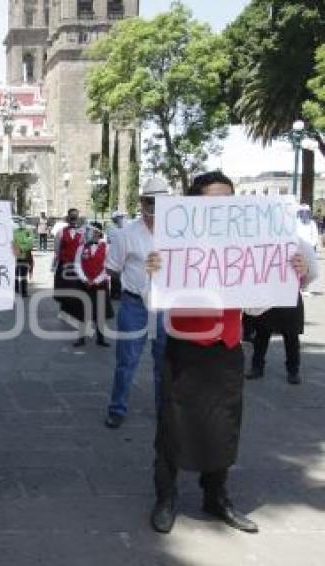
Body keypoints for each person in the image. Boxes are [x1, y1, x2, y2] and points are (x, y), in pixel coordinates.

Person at [148, 170, 314, 535]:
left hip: (225, 349)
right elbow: (155, 298)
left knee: (225, 424)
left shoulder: (246, 246)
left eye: (228, 202)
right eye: (213, 203)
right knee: (172, 426)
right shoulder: (173, 245)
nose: (222, 209)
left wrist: (292, 275)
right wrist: (154, 271)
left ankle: (216, 495)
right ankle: (166, 497)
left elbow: (255, 308)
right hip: (183, 347)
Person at [103, 178, 171, 429]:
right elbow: (112, 269)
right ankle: (117, 408)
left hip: (166, 304)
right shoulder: (126, 234)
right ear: (142, 203)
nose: (154, 209)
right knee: (126, 361)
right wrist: (140, 274)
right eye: (150, 202)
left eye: (159, 203)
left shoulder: (178, 233)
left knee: (164, 362)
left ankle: (164, 410)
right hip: (134, 305)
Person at [246, 210, 319, 385]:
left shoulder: (299, 243)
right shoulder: (259, 242)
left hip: (287, 297)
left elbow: (312, 272)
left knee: (289, 335)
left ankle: (290, 370)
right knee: (265, 334)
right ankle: (260, 367)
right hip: (268, 296)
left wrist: (301, 282)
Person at [73, 224, 112, 348]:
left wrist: (96, 280)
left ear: (99, 233)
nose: (91, 234)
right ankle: (81, 337)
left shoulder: (107, 248)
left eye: (94, 232)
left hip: (100, 284)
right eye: (89, 232)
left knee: (100, 312)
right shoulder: (81, 247)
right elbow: (77, 264)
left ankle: (101, 338)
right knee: (82, 311)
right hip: (84, 284)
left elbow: (108, 266)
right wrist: (85, 279)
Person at [52, 208, 85, 321]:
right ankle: (63, 311)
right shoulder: (61, 232)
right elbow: (57, 249)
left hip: (78, 266)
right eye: (72, 216)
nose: (74, 218)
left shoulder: (83, 232)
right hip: (65, 265)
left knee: (76, 288)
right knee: (64, 288)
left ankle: (75, 311)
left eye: (75, 216)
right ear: (68, 217)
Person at [106, 211, 127, 300]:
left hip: (125, 253)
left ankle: (122, 292)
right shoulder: (111, 229)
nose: (119, 219)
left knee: (124, 274)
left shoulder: (128, 228)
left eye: (120, 217)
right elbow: (109, 240)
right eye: (117, 218)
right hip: (114, 254)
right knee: (114, 274)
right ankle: (115, 292)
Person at [13, 217, 35, 297]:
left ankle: (24, 292)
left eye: (23, 222)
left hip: (25, 257)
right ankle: (15, 291)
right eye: (20, 222)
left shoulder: (28, 232)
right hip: (15, 256)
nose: (21, 223)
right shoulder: (15, 232)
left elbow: (30, 243)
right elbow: (12, 242)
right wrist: (17, 248)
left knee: (23, 276)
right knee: (15, 275)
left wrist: (21, 248)